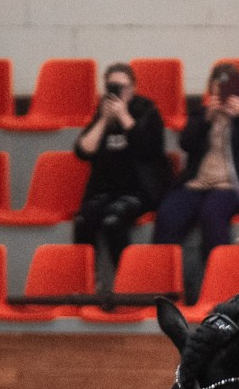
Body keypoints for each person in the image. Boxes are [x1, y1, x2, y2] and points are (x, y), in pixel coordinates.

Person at [154, 62, 239, 260]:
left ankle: (219, 273)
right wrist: (206, 120)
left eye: (227, 91)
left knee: (212, 214)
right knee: (168, 213)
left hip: (232, 185)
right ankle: (164, 273)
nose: (222, 97)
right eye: (218, 91)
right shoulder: (202, 114)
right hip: (198, 182)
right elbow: (186, 144)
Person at [72, 61, 168, 287]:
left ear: (133, 88)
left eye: (123, 87)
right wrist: (104, 120)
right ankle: (86, 283)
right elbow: (83, 151)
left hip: (140, 190)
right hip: (106, 189)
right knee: (83, 220)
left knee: (113, 220)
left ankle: (127, 284)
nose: (118, 92)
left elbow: (150, 148)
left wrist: (124, 117)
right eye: (112, 87)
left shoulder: (147, 110)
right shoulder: (102, 113)